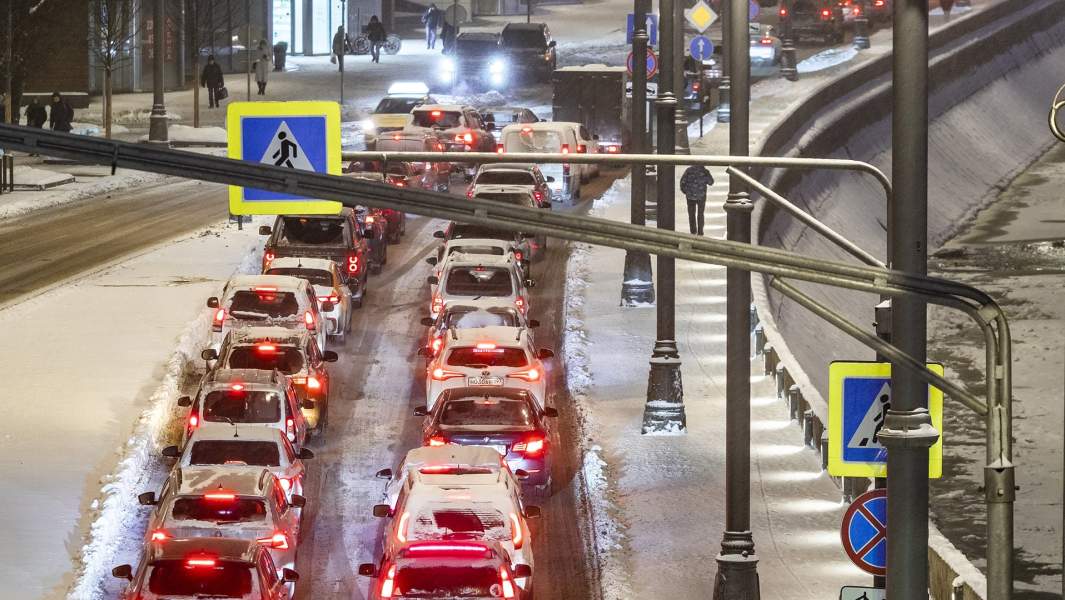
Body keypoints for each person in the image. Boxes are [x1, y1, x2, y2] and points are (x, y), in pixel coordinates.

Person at [680, 164, 714, 235]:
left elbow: (682, 182)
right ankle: (700, 232)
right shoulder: (704, 171)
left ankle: (693, 231)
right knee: (700, 214)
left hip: (690, 197)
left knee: (691, 214)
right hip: (701, 196)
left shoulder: (688, 170)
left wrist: (686, 192)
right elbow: (711, 182)